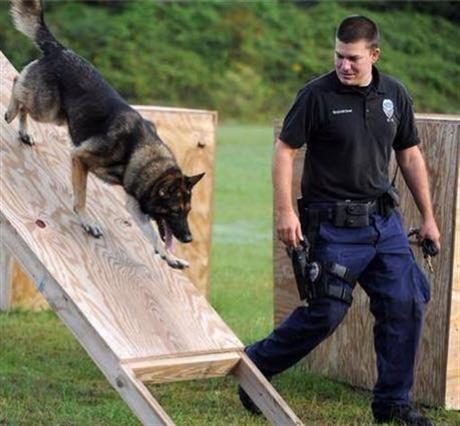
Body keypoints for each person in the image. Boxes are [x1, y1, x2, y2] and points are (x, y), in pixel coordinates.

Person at [238, 15, 441, 426]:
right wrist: (284, 211)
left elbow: (410, 155)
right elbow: (284, 150)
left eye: (353, 59)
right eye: (338, 57)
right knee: (326, 313)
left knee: (406, 303)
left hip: (384, 225)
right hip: (332, 226)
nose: (344, 66)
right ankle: (255, 368)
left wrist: (429, 217)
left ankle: (392, 406)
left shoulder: (394, 95)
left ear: (374, 54)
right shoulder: (316, 95)